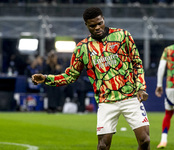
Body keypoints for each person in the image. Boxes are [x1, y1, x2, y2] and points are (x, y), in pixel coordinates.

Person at [32, 7, 150, 150]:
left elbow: (137, 63)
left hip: (130, 96)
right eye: (92, 26)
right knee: (102, 146)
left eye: (100, 23)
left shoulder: (122, 36)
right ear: (86, 25)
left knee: (144, 141)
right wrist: (46, 78)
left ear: (103, 19)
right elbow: (70, 76)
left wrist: (141, 87)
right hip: (106, 101)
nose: (97, 28)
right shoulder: (82, 48)